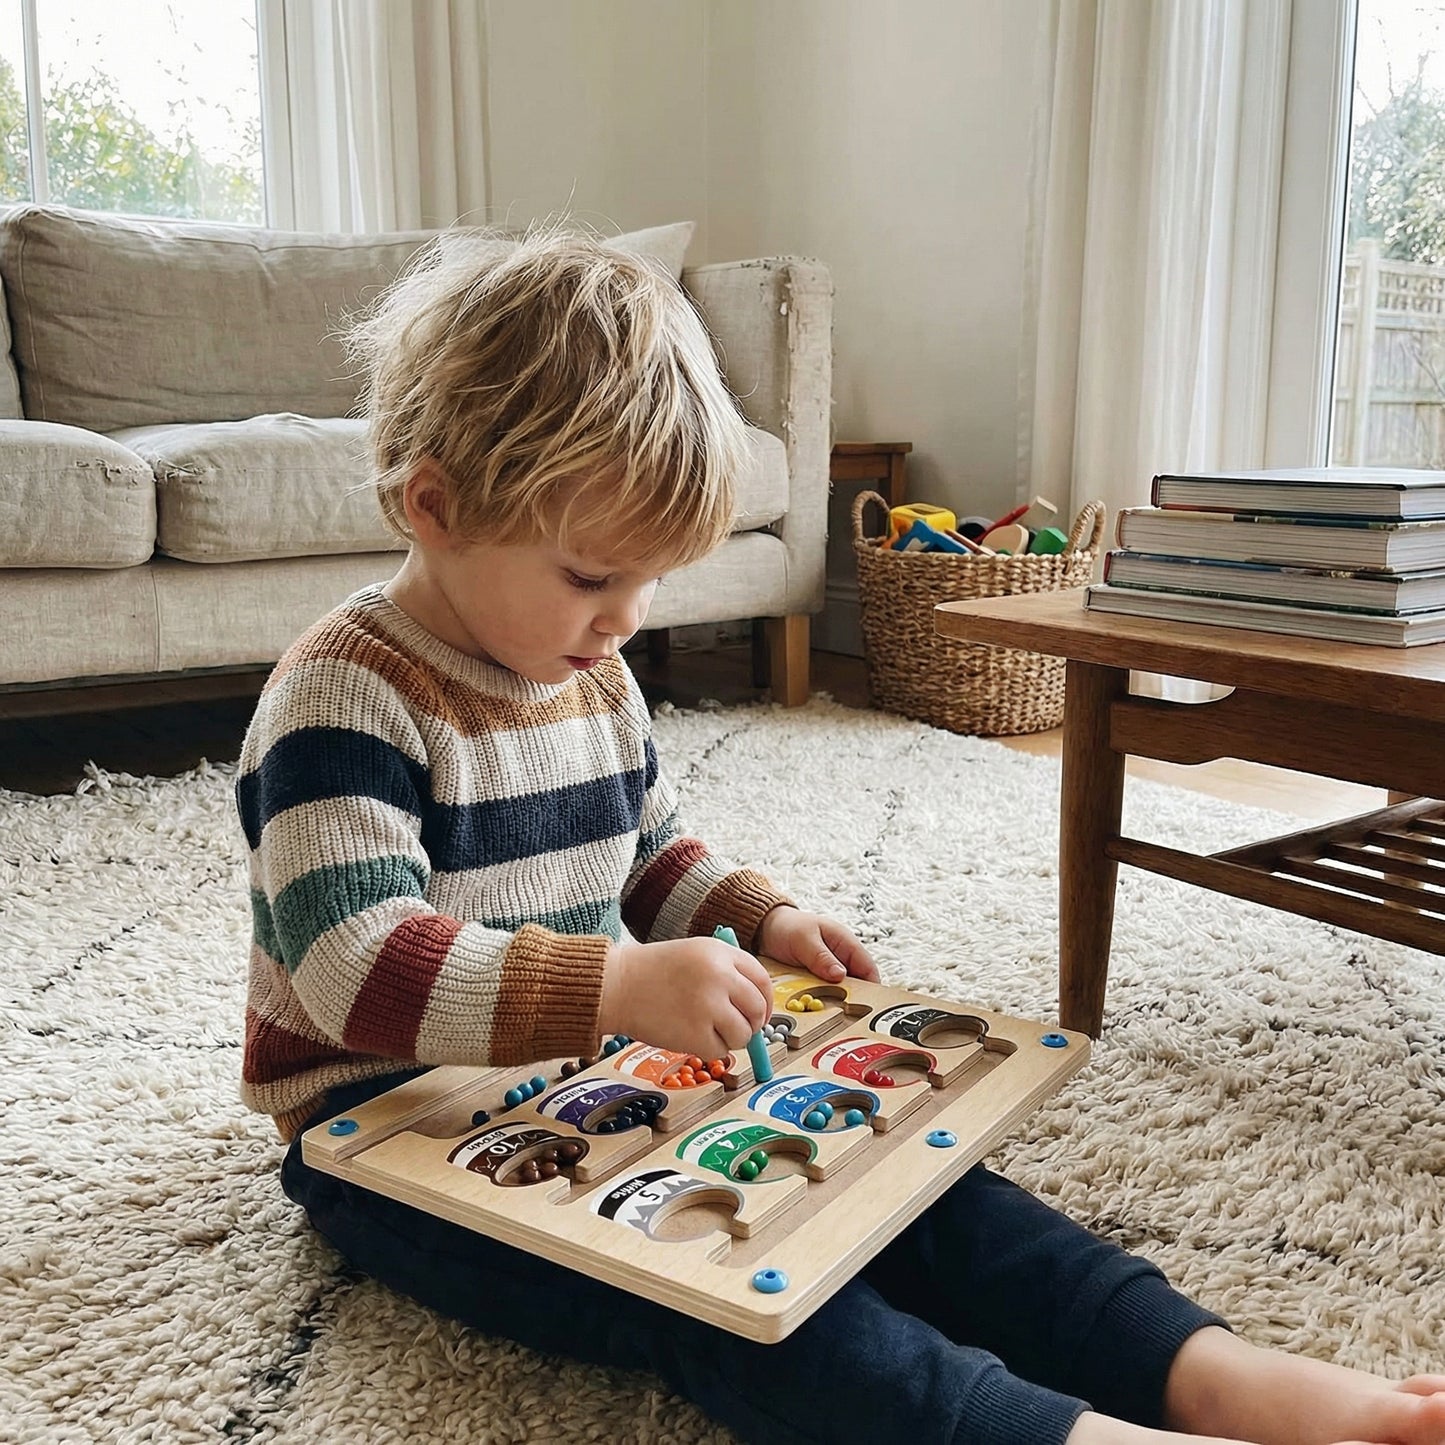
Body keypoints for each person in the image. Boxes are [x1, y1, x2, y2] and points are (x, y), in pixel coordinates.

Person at [236, 226, 1445, 1445]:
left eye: (651, 580)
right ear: (434, 505)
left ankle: (1217, 1374)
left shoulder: (588, 674)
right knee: (725, 1293)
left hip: (579, 1071)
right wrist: (615, 985)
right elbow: (352, 966)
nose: (625, 619)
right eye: (591, 575)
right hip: (386, 1128)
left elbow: (646, 851)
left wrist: (754, 915)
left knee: (911, 1187)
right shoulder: (343, 695)